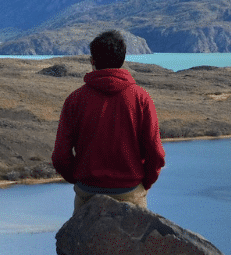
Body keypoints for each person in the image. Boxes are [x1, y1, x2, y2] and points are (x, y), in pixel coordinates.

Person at [51, 30, 166, 210]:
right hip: (130, 192)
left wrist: (79, 179)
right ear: (122, 60)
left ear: (93, 61)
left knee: (85, 239)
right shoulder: (141, 98)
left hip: (88, 192)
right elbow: (156, 153)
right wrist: (144, 183)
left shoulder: (75, 99)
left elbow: (60, 156)